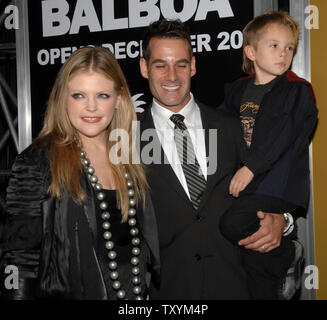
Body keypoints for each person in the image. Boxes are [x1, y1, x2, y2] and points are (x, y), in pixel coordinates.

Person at [138, 18, 289, 299]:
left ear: (193, 66)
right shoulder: (126, 140)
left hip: (237, 287)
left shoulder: (230, 126)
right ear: (144, 68)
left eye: (181, 64)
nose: (172, 76)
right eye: (160, 65)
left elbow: (270, 189)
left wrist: (284, 220)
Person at [0, 46, 160, 300]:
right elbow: (18, 259)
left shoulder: (127, 154)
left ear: (119, 98)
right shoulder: (38, 161)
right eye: (79, 96)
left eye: (103, 95)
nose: (92, 107)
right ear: (63, 97)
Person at [218, 11, 318, 300]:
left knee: (232, 223)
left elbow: (286, 134)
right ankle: (278, 272)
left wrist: (251, 167)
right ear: (251, 51)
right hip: (252, 185)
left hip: (278, 184)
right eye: (274, 46)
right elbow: (221, 131)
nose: (283, 53)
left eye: (289, 47)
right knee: (254, 262)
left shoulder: (298, 90)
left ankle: (289, 250)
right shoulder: (237, 91)